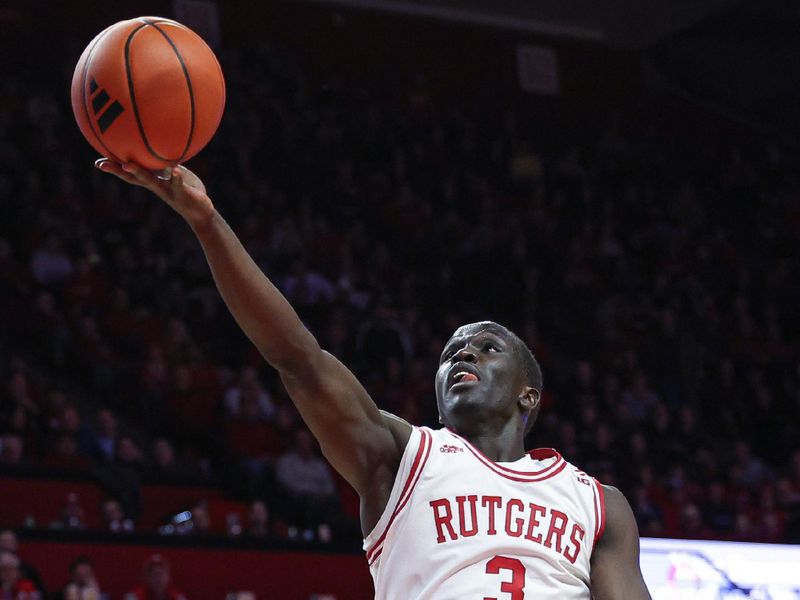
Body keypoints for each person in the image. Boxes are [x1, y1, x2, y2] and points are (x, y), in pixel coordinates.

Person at [96, 160, 650, 598]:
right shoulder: (402, 458)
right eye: (451, 351)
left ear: (530, 392)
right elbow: (298, 359)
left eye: (487, 347)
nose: (464, 354)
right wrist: (206, 221)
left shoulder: (599, 504)